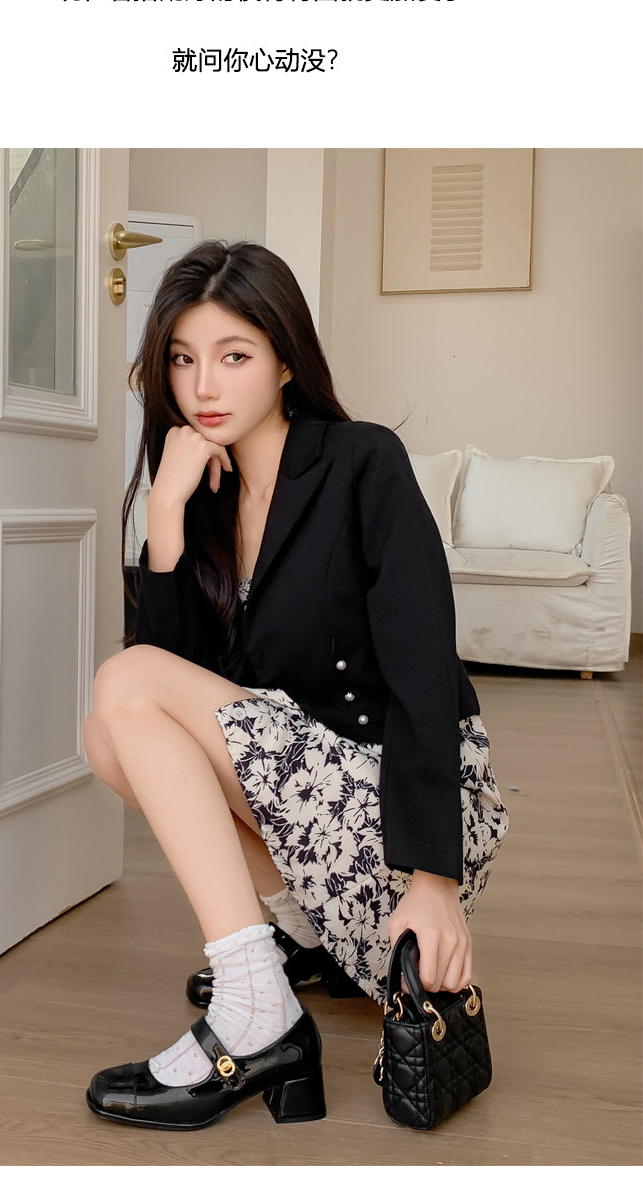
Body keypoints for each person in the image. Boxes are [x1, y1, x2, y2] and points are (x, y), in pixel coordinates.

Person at [82, 240, 508, 1130]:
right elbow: (166, 688)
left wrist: (434, 878)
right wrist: (165, 511)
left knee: (123, 688)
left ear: (284, 362)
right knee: (108, 732)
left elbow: (425, 670)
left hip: (395, 803)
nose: (204, 386)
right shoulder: (202, 494)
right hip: (307, 794)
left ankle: (256, 1006)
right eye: (183, 359)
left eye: (234, 356)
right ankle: (291, 946)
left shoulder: (361, 462)